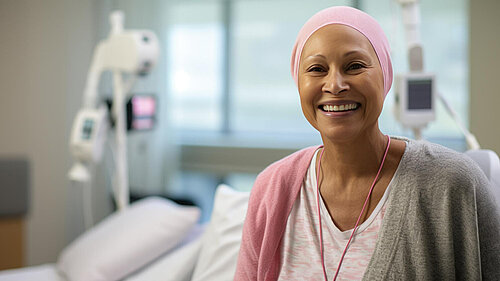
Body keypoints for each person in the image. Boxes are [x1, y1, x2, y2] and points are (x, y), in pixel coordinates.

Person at [234, 6, 500, 281]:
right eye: (316, 69)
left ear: (385, 75)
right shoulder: (271, 189)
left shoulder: (451, 184)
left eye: (355, 66)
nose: (335, 85)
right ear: (298, 83)